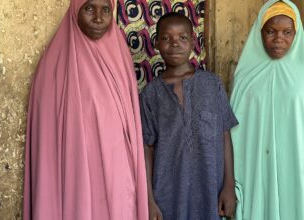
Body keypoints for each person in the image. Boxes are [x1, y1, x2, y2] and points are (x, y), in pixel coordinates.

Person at [23, 0, 148, 219]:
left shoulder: (120, 56)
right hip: (72, 169)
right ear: (75, 11)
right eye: (89, 8)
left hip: (115, 168)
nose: (98, 17)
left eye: (106, 10)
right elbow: (45, 137)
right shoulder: (53, 64)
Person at [230, 0, 304, 219]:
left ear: (297, 34)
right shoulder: (245, 77)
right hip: (258, 168)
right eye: (271, 31)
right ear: (260, 32)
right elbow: (236, 132)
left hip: (298, 165)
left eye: (287, 32)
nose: (279, 39)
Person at [140, 12, 238, 220]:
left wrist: (229, 186)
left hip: (210, 191)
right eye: (166, 38)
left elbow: (224, 135)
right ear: (156, 43)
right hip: (167, 196)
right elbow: (146, 149)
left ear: (193, 42)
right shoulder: (150, 94)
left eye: (182, 38)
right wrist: (148, 199)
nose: (175, 44)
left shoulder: (212, 84)